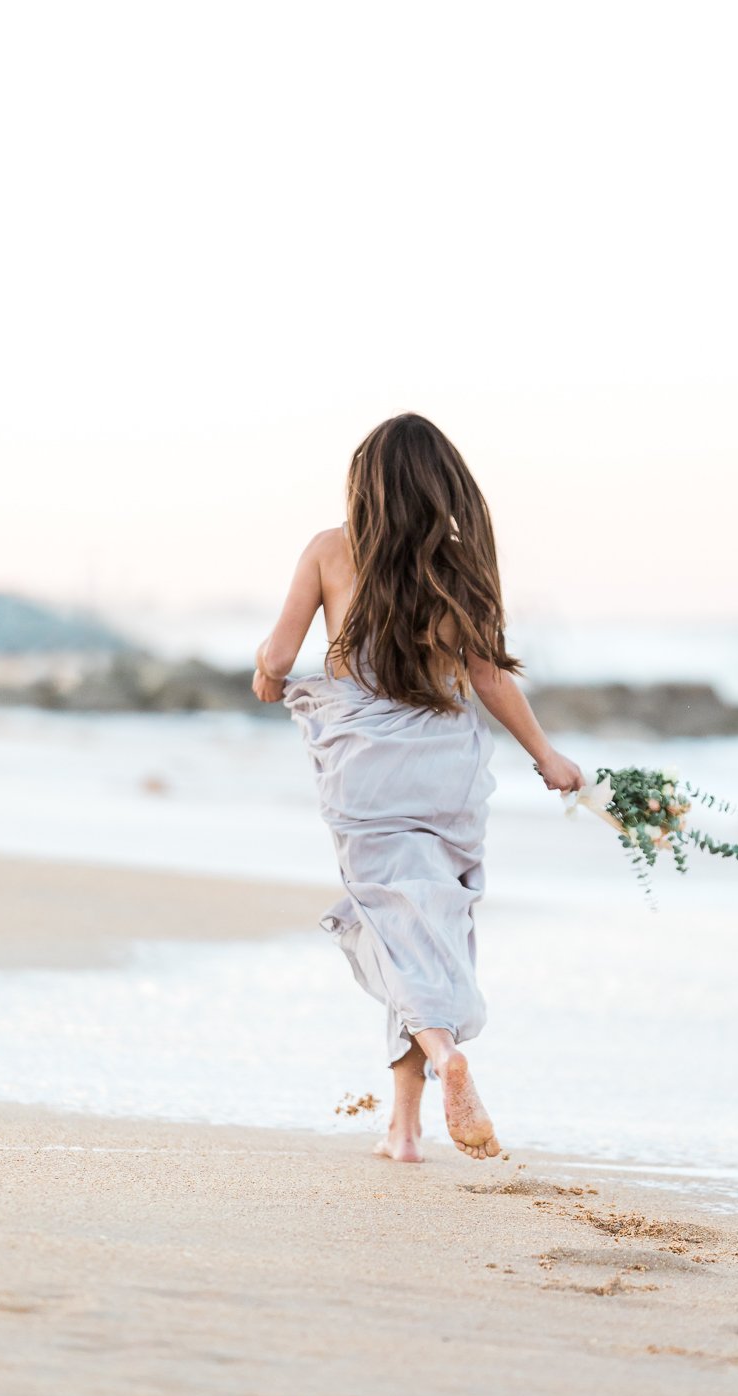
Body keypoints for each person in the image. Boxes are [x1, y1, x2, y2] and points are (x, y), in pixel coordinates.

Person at [252, 413, 583, 1164]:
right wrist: (547, 755)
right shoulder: (458, 564)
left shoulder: (330, 550)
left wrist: (267, 676)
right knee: (428, 920)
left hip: (365, 769)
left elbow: (278, 653)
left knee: (393, 926)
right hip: (446, 770)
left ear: (363, 482)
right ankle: (403, 1129)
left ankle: (442, 1052)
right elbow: (489, 678)